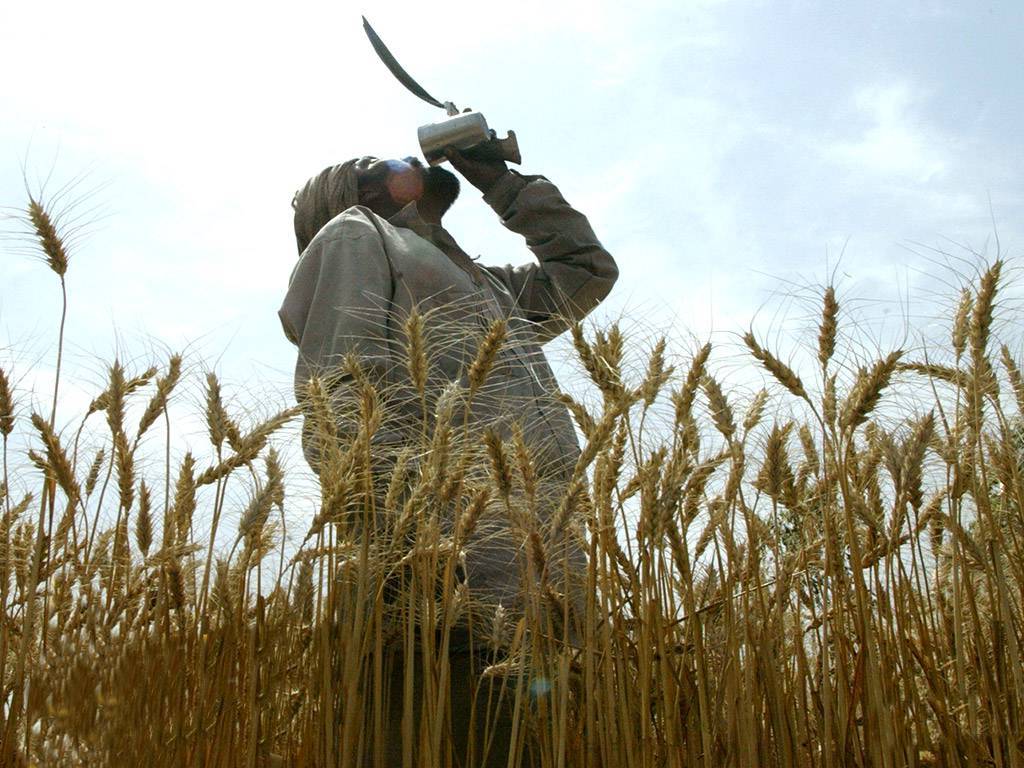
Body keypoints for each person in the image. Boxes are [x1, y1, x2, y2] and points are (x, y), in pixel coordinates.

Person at [279, 140, 617, 766]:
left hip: (542, 581)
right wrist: (406, 550)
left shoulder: (484, 284)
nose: (399, 163)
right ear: (353, 196)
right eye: (373, 166)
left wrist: (499, 180)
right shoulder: (354, 236)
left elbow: (586, 270)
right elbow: (345, 389)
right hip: (448, 581)